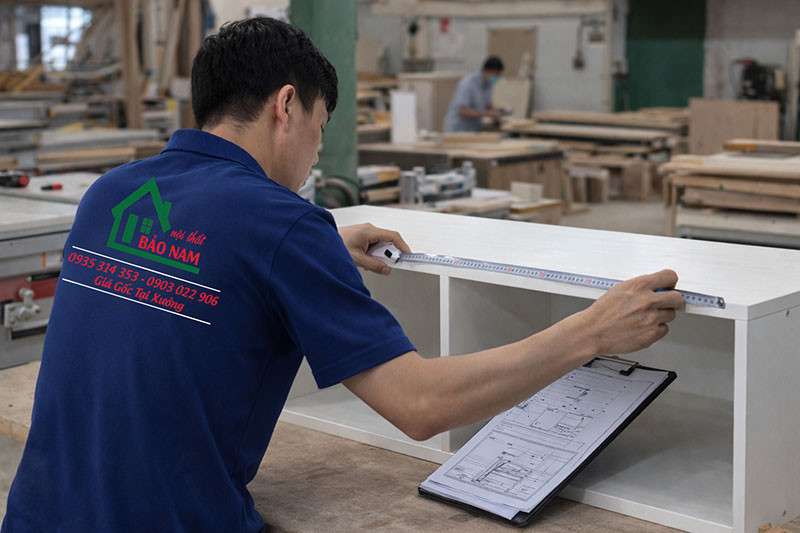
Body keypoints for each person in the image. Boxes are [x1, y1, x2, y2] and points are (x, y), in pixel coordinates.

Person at [1, 17, 682, 533]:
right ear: (285, 105)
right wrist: (591, 332)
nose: (315, 152)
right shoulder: (282, 226)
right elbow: (419, 406)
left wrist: (317, 243)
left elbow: (204, 249)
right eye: (321, 127)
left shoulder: (111, 192)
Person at [443, 56, 505, 133]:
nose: (497, 78)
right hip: (458, 129)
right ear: (487, 71)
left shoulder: (488, 85)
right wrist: (486, 114)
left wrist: (495, 112)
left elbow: (487, 104)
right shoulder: (468, 83)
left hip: (473, 128)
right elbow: (462, 110)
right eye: (496, 75)